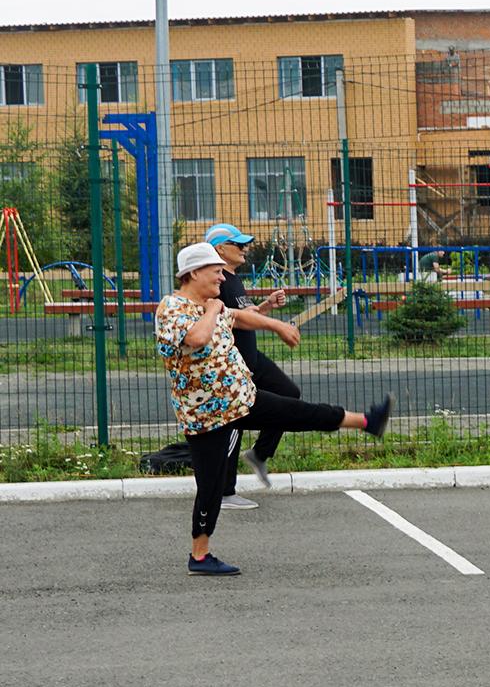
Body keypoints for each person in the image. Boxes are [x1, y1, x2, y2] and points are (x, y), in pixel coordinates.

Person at [157, 243, 391, 576]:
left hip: (242, 399)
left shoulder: (215, 305)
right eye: (215, 272)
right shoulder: (173, 307)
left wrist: (277, 325)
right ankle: (199, 556)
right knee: (210, 486)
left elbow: (239, 318)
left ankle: (368, 421)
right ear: (193, 272)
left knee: (302, 412)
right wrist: (211, 310)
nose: (222, 278)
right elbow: (196, 338)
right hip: (207, 415)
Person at [203, 223, 305, 505]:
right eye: (238, 244)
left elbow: (242, 314)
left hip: (253, 359)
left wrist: (266, 306)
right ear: (220, 249)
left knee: (289, 395)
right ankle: (224, 492)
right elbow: (223, 316)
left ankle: (259, 454)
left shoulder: (233, 278)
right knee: (234, 420)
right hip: (234, 365)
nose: (245, 247)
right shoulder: (216, 281)